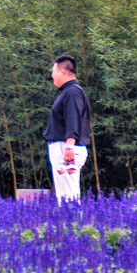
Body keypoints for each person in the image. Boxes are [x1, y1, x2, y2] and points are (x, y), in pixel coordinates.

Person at [43, 54, 91, 201]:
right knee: (65, 193)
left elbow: (73, 117)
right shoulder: (69, 92)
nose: (52, 75)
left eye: (53, 71)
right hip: (65, 147)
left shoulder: (72, 92)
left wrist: (69, 145)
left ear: (62, 71)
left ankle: (72, 222)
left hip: (66, 148)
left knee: (67, 195)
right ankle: (69, 222)